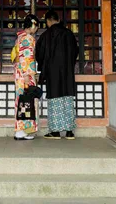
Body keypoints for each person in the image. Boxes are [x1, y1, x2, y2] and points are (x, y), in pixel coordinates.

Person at [36, 10, 79, 140]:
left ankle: (55, 132)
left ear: (48, 21)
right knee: (67, 100)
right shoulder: (69, 34)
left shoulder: (45, 36)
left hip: (52, 75)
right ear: (58, 20)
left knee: (55, 101)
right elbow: (75, 52)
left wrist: (44, 69)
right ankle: (70, 132)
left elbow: (39, 54)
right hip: (67, 73)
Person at [13, 14, 40, 141]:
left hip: (20, 74)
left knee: (22, 102)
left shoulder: (20, 37)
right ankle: (21, 130)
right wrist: (27, 75)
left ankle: (22, 130)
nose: (36, 30)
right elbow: (26, 58)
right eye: (36, 27)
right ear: (33, 25)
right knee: (27, 101)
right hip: (25, 74)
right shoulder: (28, 38)